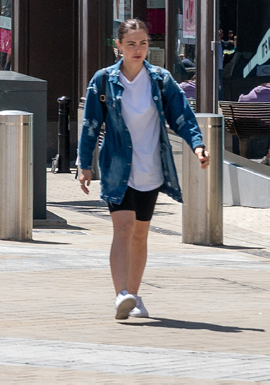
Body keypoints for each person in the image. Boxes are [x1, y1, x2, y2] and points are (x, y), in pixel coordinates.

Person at [78, 18, 209, 320]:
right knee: (123, 228)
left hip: (151, 167)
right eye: (131, 44)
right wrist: (84, 164)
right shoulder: (104, 80)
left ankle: (134, 297)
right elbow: (90, 125)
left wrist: (198, 145)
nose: (138, 49)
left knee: (140, 234)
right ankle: (121, 294)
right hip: (116, 168)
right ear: (118, 47)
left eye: (144, 43)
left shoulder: (160, 80)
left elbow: (183, 117)